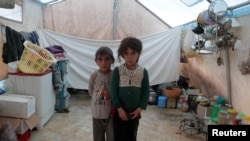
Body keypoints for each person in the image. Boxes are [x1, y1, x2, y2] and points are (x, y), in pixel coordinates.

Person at [110, 37, 150, 141]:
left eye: (133, 53)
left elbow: (145, 92)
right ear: (122, 54)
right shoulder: (117, 71)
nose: (129, 57)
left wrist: (139, 109)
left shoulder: (143, 72)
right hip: (119, 112)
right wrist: (119, 108)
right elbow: (113, 91)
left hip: (135, 112)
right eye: (126, 53)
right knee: (119, 136)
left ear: (139, 53)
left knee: (132, 136)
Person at [88, 46, 115, 141]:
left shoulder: (115, 75)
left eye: (107, 59)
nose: (104, 63)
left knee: (112, 137)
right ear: (96, 61)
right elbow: (91, 91)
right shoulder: (94, 76)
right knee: (98, 137)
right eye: (100, 59)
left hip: (111, 114)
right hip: (97, 114)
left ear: (113, 60)